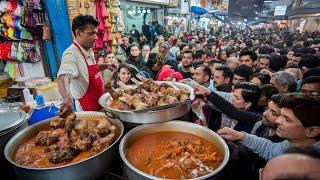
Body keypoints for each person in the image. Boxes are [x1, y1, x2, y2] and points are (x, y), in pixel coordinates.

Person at [217, 93, 320, 160]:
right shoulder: (291, 142)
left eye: (287, 119)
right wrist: (240, 136)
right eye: (280, 115)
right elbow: (269, 149)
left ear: (312, 131)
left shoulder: (312, 165)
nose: (278, 121)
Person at [57, 14, 116, 114]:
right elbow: (63, 76)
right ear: (79, 33)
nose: (96, 37)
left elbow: (89, 69)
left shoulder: (88, 50)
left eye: (96, 33)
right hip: (88, 110)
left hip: (100, 104)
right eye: (91, 33)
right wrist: (67, 97)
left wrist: (106, 65)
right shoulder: (71, 54)